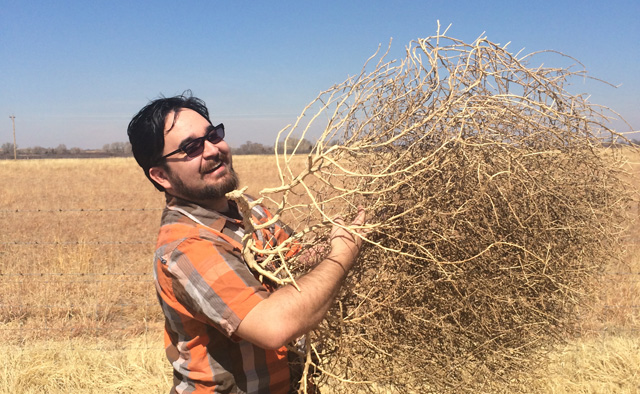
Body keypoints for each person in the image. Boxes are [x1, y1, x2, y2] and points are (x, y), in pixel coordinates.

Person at [127, 92, 366, 394]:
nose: (214, 149)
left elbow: (297, 260)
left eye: (213, 135)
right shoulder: (185, 247)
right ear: (162, 176)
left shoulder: (247, 209)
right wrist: (342, 256)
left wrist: (352, 236)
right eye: (191, 147)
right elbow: (273, 326)